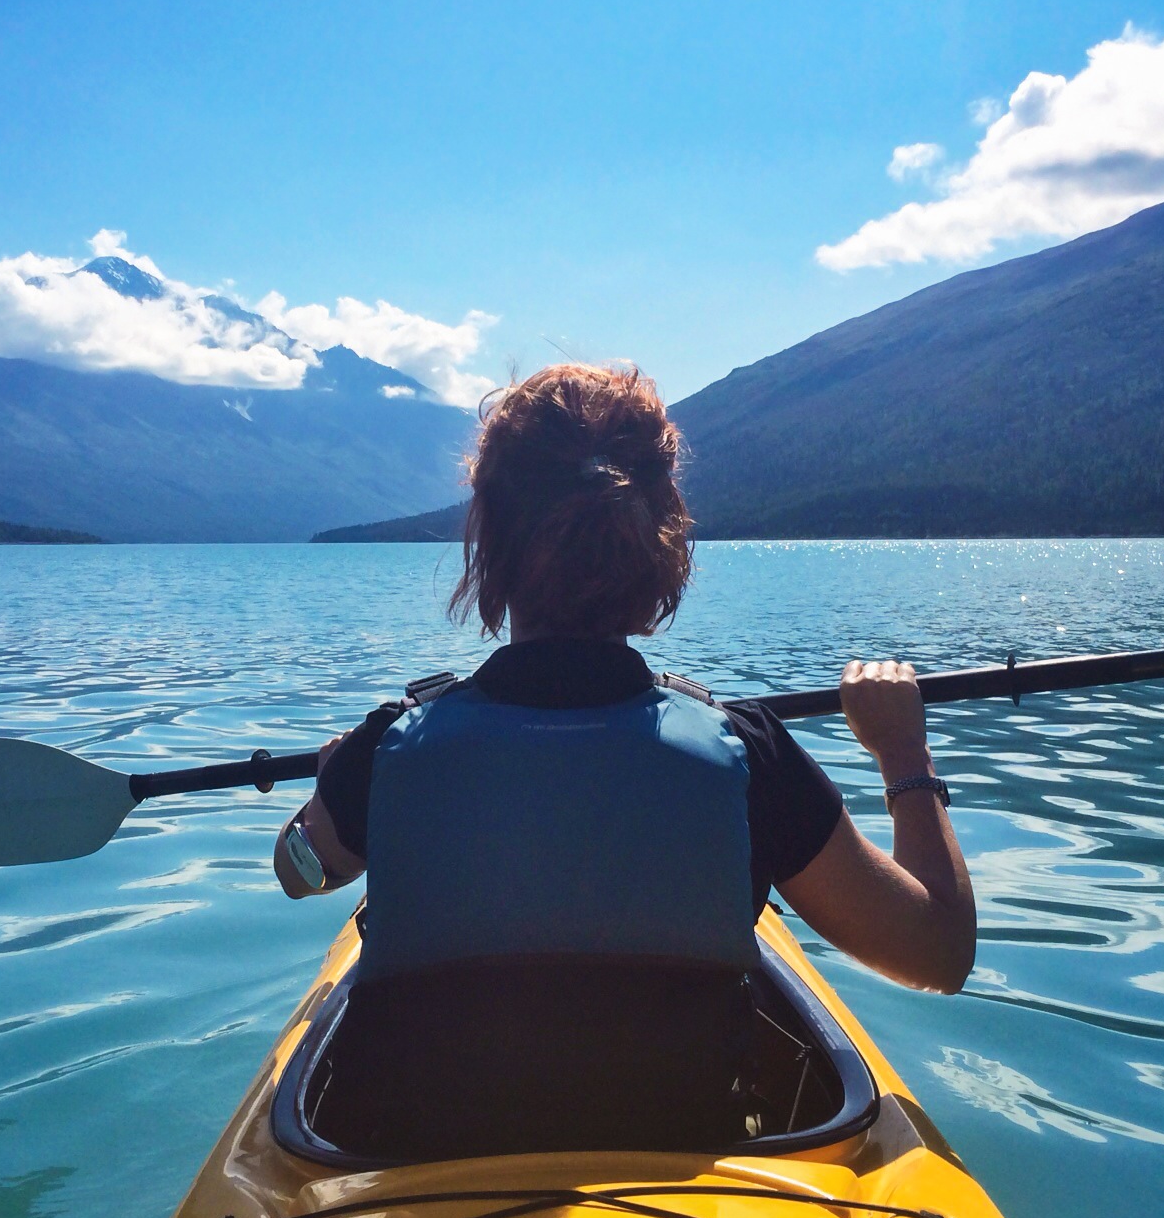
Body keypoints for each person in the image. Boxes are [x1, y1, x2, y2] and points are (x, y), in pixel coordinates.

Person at [273, 363, 975, 1158]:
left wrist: (337, 788)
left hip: (415, 1188)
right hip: (681, 1198)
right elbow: (937, 955)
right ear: (660, 542)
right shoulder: (747, 757)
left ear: (489, 542)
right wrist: (903, 752)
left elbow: (297, 871)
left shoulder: (391, 749)